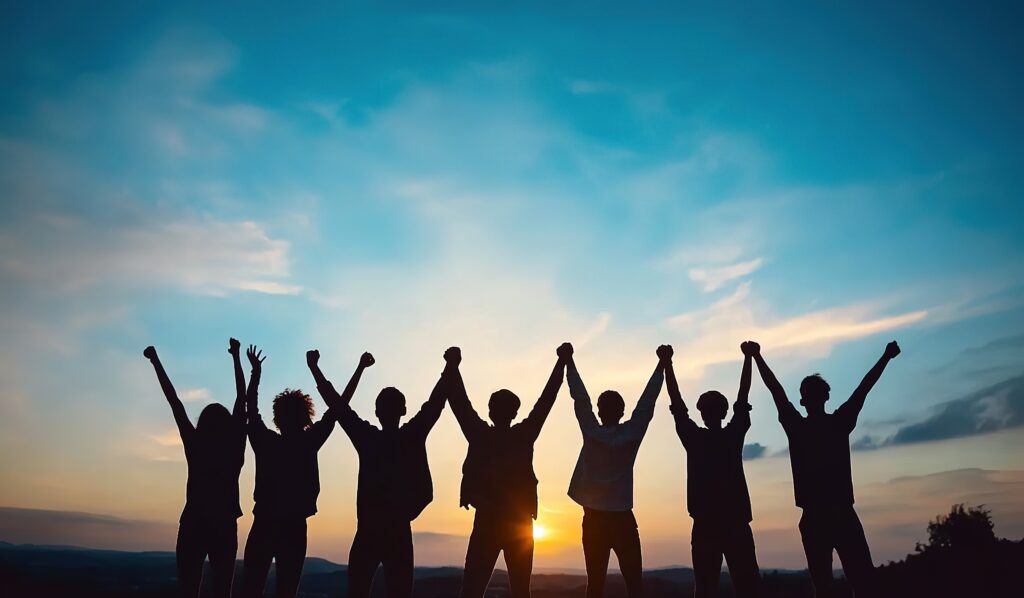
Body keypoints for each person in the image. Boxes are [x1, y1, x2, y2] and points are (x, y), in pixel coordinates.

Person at [750, 340, 901, 597]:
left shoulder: (810, 425)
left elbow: (777, 391)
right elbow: (863, 388)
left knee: (843, 583)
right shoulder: (831, 423)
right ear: (823, 396)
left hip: (829, 515)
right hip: (826, 516)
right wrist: (886, 357)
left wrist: (757, 357)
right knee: (849, 582)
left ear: (804, 400)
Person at [307, 348, 450, 598]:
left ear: (376, 412)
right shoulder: (410, 436)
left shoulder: (368, 438)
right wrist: (450, 367)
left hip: (369, 533)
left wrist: (315, 369)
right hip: (396, 534)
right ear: (403, 411)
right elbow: (434, 404)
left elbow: (338, 407)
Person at [447, 344, 569, 598]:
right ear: (514, 413)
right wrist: (561, 363)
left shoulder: (481, 435)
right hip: (516, 523)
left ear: (491, 411)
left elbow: (459, 402)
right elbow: (546, 402)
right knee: (518, 591)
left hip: (493, 522)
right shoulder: (521, 436)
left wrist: (452, 366)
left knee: (473, 589)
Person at [143, 338, 249, 598]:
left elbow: (175, 402)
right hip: (222, 524)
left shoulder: (196, 445)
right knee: (222, 589)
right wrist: (236, 357)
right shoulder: (233, 448)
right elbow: (242, 399)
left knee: (189, 588)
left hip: (194, 523)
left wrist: (156, 361)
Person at [239, 345, 343, 598]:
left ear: (278, 416)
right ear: (305, 416)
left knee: (251, 589)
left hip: (264, 523)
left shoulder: (266, 443)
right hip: (293, 526)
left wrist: (256, 374)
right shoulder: (308, 443)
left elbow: (250, 410)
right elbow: (337, 409)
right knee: (285, 591)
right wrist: (317, 369)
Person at [563, 343, 665, 598]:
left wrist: (568, 362)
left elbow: (580, 399)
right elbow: (647, 403)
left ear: (599, 410)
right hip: (622, 520)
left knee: (595, 584)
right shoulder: (631, 434)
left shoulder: (592, 433)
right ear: (622, 411)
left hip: (594, 519)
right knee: (634, 585)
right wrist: (662, 365)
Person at [666, 343, 762, 597]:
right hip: (732, 522)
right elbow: (743, 396)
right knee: (746, 586)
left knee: (708, 587)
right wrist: (748, 358)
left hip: (711, 523)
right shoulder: (731, 435)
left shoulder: (695, 438)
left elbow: (677, 405)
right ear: (723, 411)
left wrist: (667, 364)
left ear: (702, 413)